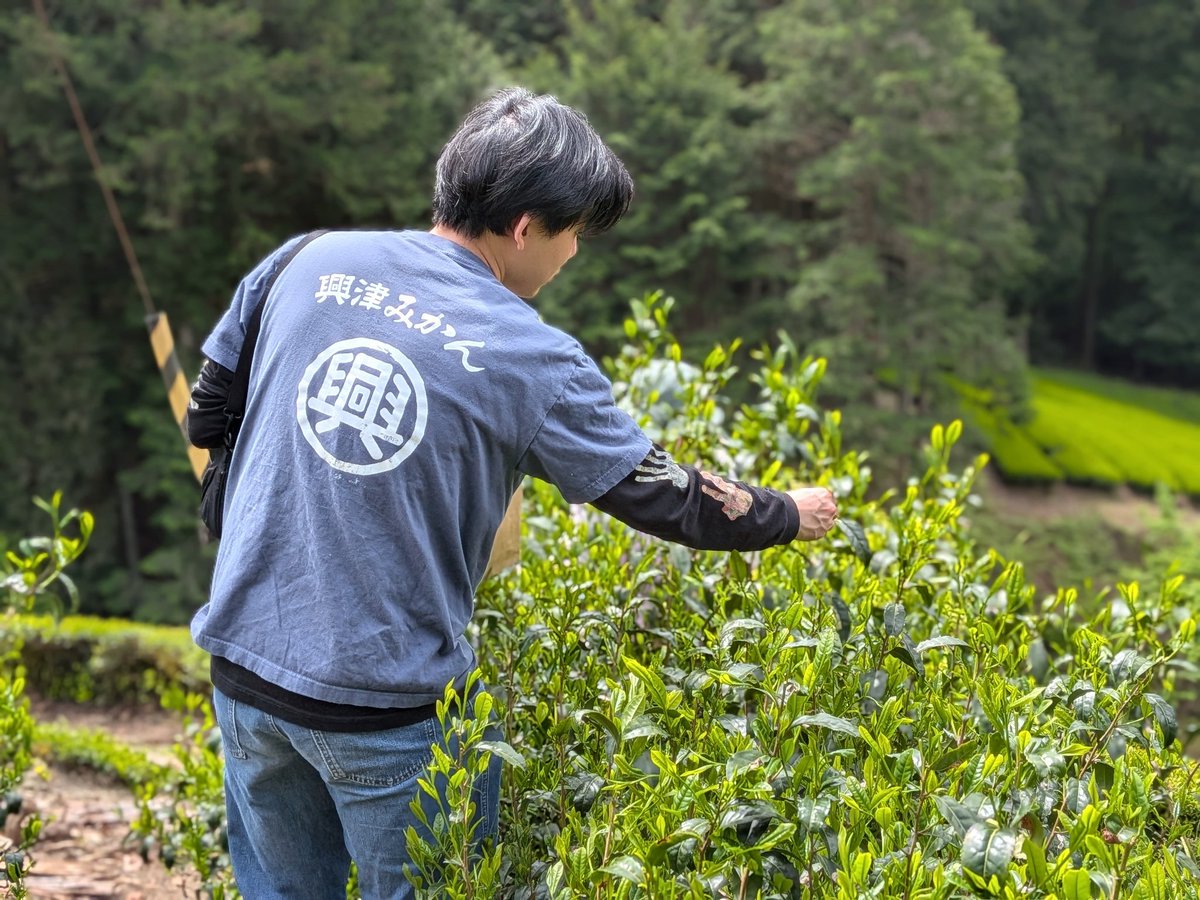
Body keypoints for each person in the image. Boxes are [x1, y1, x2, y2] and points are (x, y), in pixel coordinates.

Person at [187, 87, 837, 900]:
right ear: (526, 227)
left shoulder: (306, 258)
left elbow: (210, 408)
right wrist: (788, 516)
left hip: (244, 666)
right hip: (386, 711)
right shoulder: (531, 355)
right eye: (573, 237)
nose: (572, 258)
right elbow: (669, 499)